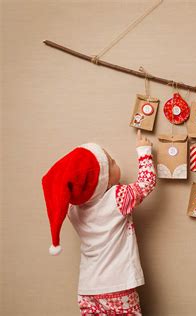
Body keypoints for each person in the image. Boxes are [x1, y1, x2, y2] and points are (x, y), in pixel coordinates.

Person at [41, 130, 156, 315]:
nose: (115, 162)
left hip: (87, 290)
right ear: (103, 180)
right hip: (119, 286)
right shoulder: (117, 198)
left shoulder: (73, 210)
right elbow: (147, 182)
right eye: (111, 163)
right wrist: (144, 151)